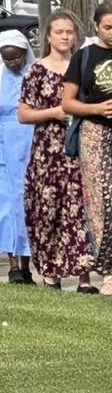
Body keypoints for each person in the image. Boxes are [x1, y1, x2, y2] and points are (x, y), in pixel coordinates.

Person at [61, 2, 112, 298]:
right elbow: (68, 102)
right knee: (103, 202)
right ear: (96, 26)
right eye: (107, 27)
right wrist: (96, 107)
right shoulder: (84, 57)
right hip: (95, 131)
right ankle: (107, 271)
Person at [19, 11, 97, 292]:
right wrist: (54, 112)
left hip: (80, 147)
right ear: (49, 36)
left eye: (69, 32)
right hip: (48, 151)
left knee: (80, 210)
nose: (65, 37)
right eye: (60, 32)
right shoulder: (37, 70)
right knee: (48, 211)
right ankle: (51, 273)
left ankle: (85, 275)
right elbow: (23, 114)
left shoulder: (84, 66)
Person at [0, 31, 35, 284]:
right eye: (6, 59)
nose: (12, 63)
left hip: (30, 140)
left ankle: (28, 264)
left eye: (16, 58)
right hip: (4, 144)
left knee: (28, 203)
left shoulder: (33, 75)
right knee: (7, 206)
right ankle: (13, 265)